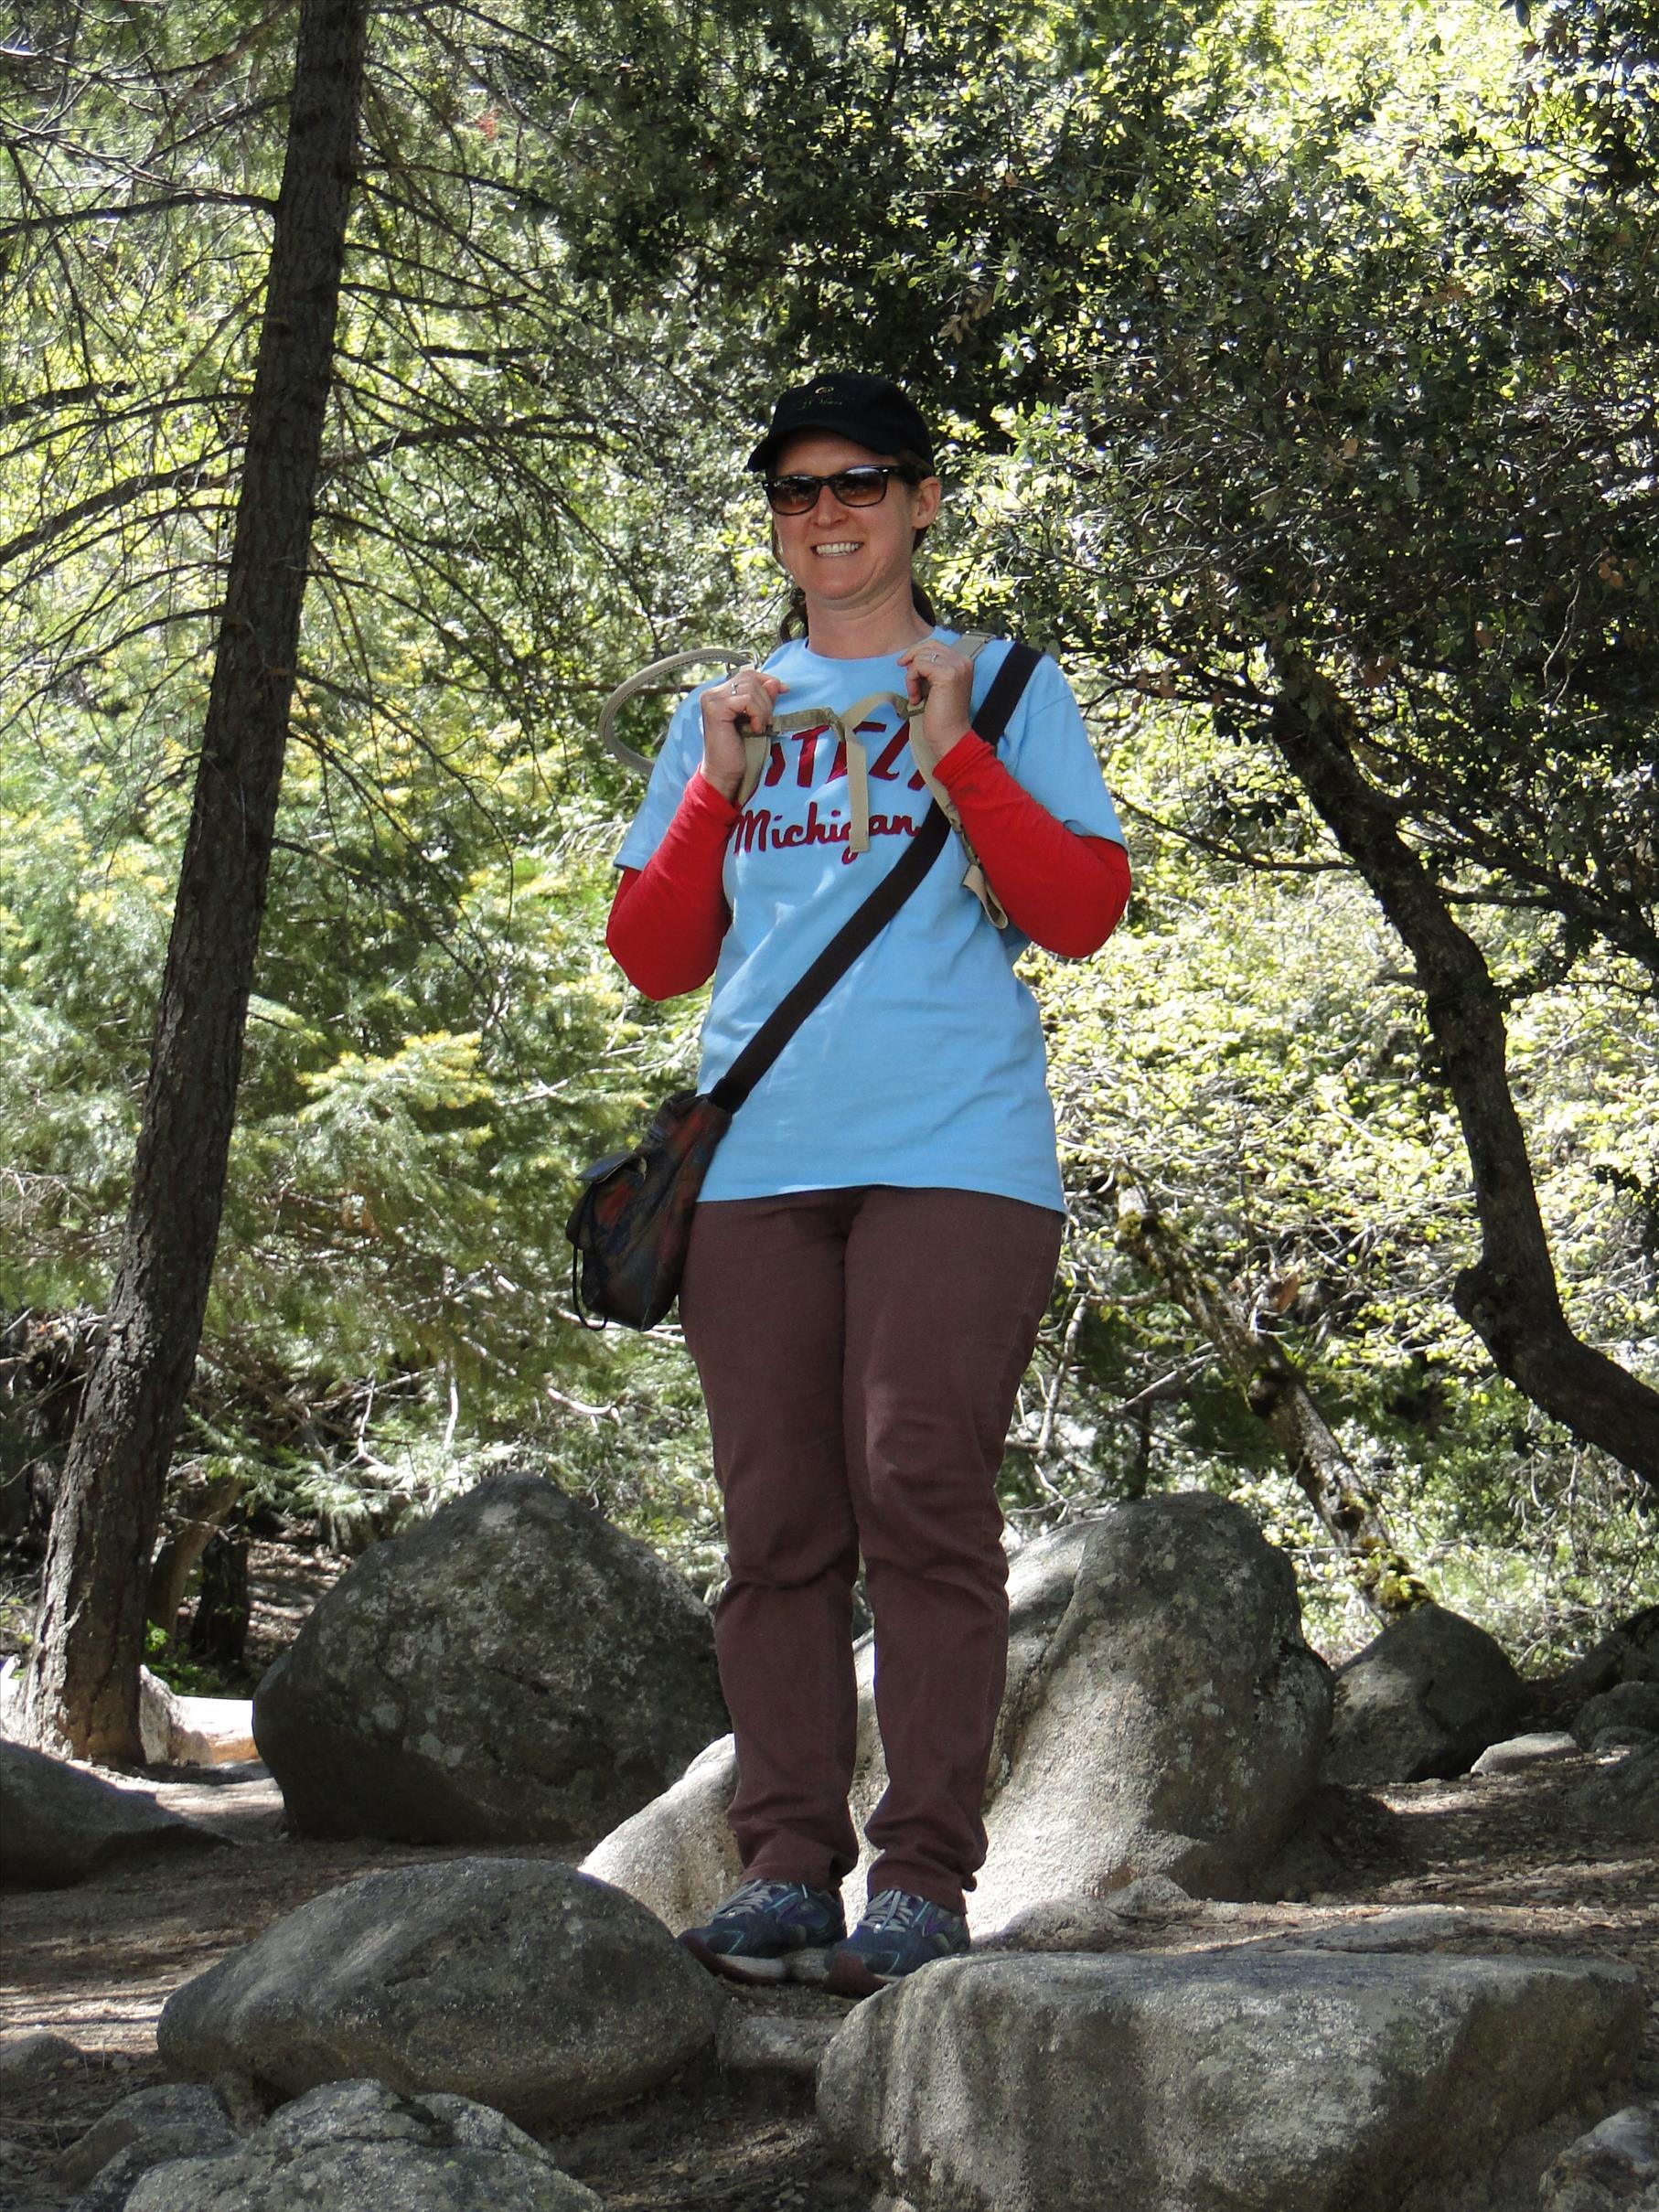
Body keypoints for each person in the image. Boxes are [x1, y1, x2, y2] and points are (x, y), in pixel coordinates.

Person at [605, 371, 1129, 1997]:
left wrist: (954, 749)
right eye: (796, 490)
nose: (825, 514)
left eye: (859, 482)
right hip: (756, 1167)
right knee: (775, 1526)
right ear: (774, 517)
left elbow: (1079, 913)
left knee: (918, 1494)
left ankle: (919, 1884)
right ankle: (782, 1871)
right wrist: (714, 780)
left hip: (955, 1152)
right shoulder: (726, 711)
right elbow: (652, 958)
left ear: (918, 503)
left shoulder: (1006, 684)